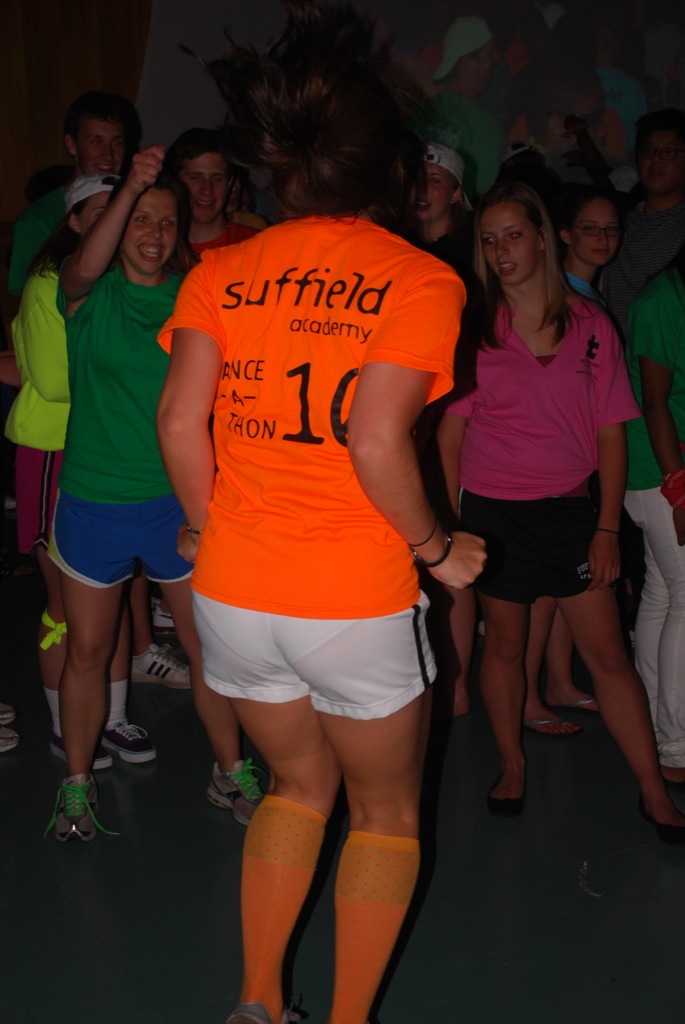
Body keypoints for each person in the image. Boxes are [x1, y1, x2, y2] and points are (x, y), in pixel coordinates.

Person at [156, 4, 486, 1023]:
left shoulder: (222, 269)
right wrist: (436, 547)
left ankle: (258, 1000)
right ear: (386, 167)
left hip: (233, 594)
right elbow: (377, 442)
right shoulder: (417, 279)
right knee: (384, 814)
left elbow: (178, 422)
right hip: (350, 599)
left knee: (295, 788)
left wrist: (208, 521)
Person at [437, 180, 685, 843]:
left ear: (544, 238)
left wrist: (606, 528)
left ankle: (653, 791)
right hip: (493, 514)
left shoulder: (591, 325)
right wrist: (452, 526)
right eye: (489, 240)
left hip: (571, 513)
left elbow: (610, 434)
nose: (501, 251)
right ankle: (512, 764)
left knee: (607, 656)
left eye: (513, 235)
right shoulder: (474, 327)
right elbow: (450, 435)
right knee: (506, 646)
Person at [44, 151, 261, 842]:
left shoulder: (197, 297)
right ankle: (77, 786)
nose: (154, 233)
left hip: (178, 505)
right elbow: (84, 265)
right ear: (116, 221)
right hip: (94, 502)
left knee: (209, 651)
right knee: (87, 651)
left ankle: (231, 770)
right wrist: (133, 185)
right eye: (141, 219)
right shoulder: (87, 292)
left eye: (167, 223)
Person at [624, 243, 685, 788]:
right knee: (683, 598)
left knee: (664, 595)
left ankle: (655, 725)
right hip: (659, 469)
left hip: (659, 469)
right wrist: (679, 489)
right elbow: (655, 400)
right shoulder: (664, 299)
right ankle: (675, 745)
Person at [8, 91, 141, 296]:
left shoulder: (139, 205)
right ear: (71, 145)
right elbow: (26, 299)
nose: (108, 155)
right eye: (96, 142)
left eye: (116, 142)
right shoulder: (36, 220)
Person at [601, 108, 685, 339]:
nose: (656, 159)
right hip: (612, 354)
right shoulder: (617, 223)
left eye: (669, 152)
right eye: (649, 150)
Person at [409, 15, 503, 198]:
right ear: (466, 62)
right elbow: (485, 196)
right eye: (489, 52)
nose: (496, 58)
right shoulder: (485, 128)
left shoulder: (417, 113)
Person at [163, 127, 260, 254]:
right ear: (176, 182)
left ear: (229, 183)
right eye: (195, 178)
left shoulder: (256, 244)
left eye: (217, 179)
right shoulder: (160, 247)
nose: (207, 190)